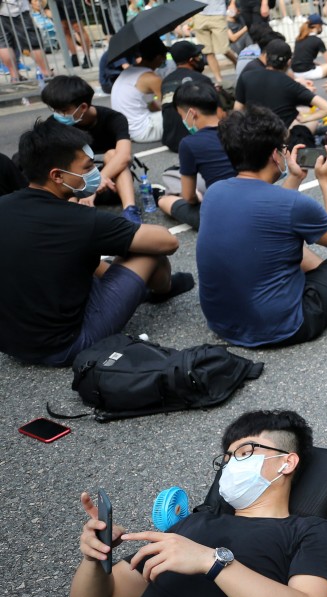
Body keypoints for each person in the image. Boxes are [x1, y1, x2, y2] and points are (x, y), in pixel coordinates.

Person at [0, 409, 327, 597]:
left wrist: (213, 562)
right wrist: (95, 559)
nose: (229, 465)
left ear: (287, 460)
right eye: (226, 459)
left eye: (246, 451)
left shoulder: (309, 531)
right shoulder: (191, 525)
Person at [0, 121, 190, 367]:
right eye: (88, 168)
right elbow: (167, 241)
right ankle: (161, 290)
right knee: (147, 252)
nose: (95, 174)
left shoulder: (5, 205)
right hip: (66, 346)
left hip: (12, 345)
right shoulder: (80, 220)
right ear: (57, 175)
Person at [197, 106, 327, 348]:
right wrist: (326, 181)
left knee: (276, 239)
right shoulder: (292, 204)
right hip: (283, 326)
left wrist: (295, 177)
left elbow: (273, 218)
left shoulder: (215, 191)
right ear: (276, 156)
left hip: (222, 323)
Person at [41, 75, 142, 223]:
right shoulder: (54, 124)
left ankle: (130, 211)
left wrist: (95, 184)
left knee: (112, 154)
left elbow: (124, 156)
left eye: (62, 110)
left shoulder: (114, 118)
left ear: (82, 107)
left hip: (110, 185)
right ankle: (73, 214)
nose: (58, 115)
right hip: (75, 184)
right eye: (54, 109)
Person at [235, 40, 327, 145]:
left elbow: (238, 110)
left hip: (252, 135)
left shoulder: (246, 76)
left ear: (265, 57)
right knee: (309, 118)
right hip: (279, 139)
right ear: (289, 62)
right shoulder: (290, 84)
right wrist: (306, 119)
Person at [157, 82, 234, 229]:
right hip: (254, 201)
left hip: (223, 215)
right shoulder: (239, 128)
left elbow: (189, 197)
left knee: (164, 201)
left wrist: (196, 196)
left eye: (181, 115)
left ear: (192, 113)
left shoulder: (189, 143)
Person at [160, 40, 214, 154]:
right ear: (191, 60)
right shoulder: (202, 80)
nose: (200, 59)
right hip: (198, 141)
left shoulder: (165, 81)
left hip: (172, 141)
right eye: (198, 56)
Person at [110, 36, 165, 144]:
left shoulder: (128, 71)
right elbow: (168, 107)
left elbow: (150, 104)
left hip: (125, 131)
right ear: (159, 58)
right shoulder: (153, 79)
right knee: (186, 114)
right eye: (164, 58)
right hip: (143, 131)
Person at [0, 0, 51, 81]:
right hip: (14, 8)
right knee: (33, 41)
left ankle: (15, 77)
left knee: (4, 43)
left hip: (6, 8)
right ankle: (46, 73)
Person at [292, 14, 327, 80]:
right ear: (318, 26)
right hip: (309, 73)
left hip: (296, 73)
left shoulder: (299, 38)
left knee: (322, 65)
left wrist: (319, 65)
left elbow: (303, 59)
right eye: (321, 25)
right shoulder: (317, 41)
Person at [193, 0, 231, 84]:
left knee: (224, 49)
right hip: (199, 14)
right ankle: (219, 80)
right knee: (207, 51)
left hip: (218, 13)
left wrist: (232, 4)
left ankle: (237, 62)